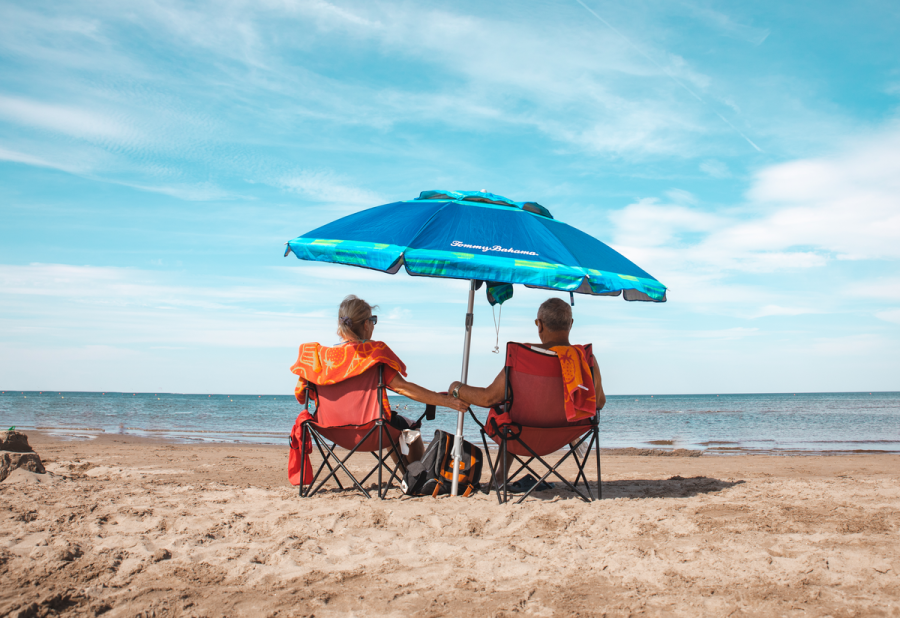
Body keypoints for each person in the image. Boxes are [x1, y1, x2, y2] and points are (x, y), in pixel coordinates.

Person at [447, 298, 605, 482]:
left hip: (521, 434)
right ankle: (500, 474)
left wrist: (456, 387)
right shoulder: (585, 360)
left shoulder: (525, 358)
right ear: (570, 324)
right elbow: (599, 402)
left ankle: (500, 475)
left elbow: (487, 398)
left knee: (507, 413)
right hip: (566, 433)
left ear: (539, 325)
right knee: (511, 414)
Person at [332, 295, 466, 462]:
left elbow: (303, 394)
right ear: (366, 324)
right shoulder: (373, 356)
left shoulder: (321, 359)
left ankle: (409, 476)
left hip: (333, 431)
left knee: (391, 422)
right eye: (373, 320)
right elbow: (403, 388)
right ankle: (415, 478)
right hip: (373, 432)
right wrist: (446, 401)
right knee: (409, 428)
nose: (373, 325)